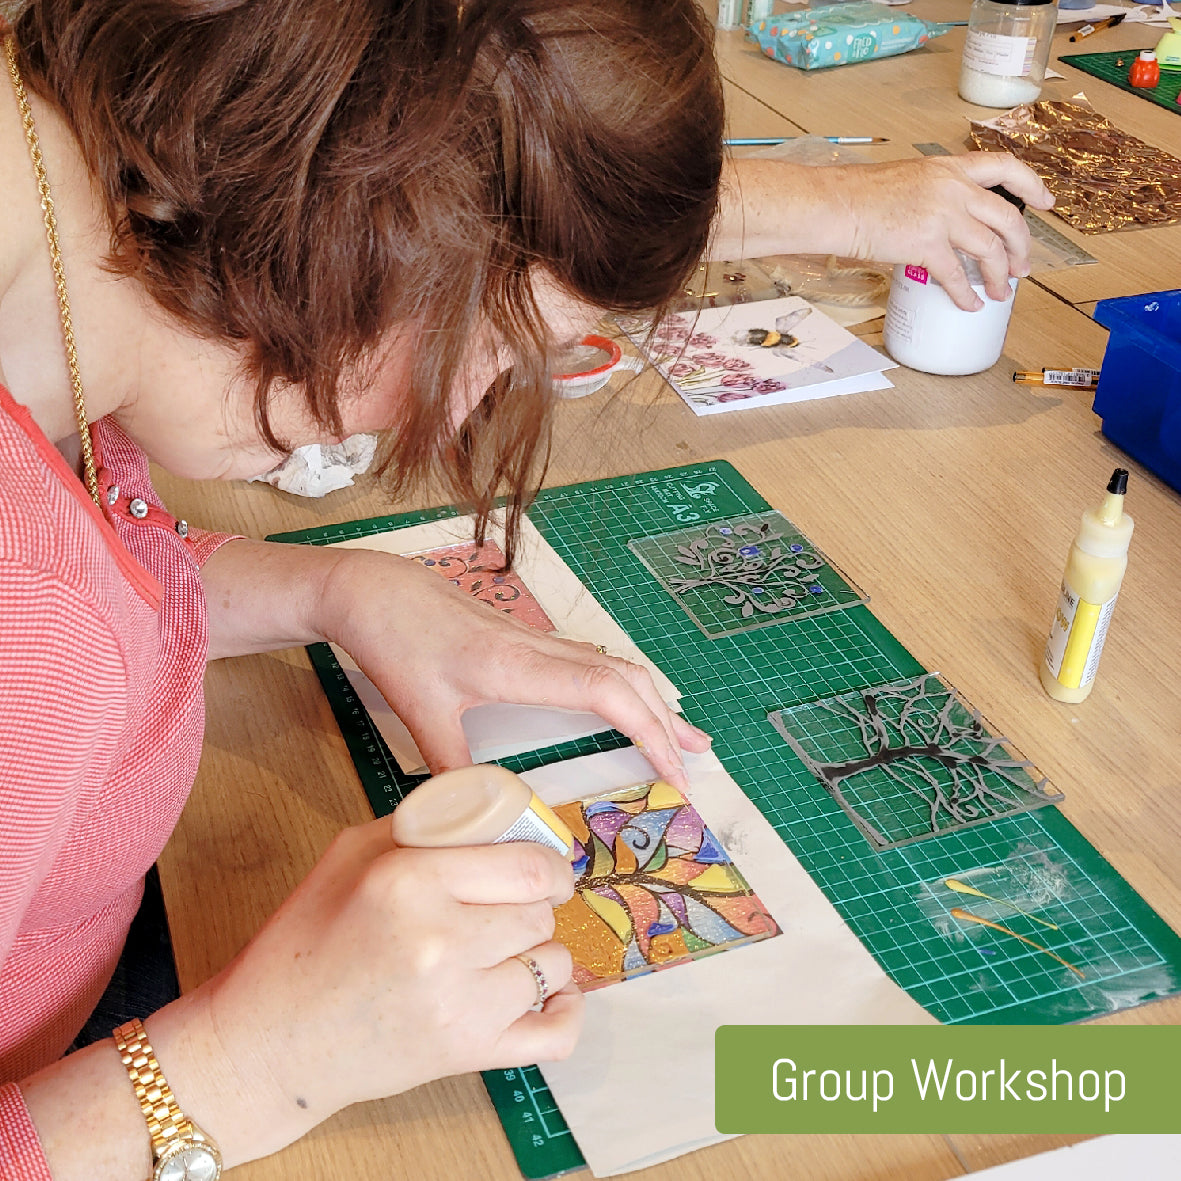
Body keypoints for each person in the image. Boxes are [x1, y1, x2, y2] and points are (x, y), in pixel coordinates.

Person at [0, 0, 1053, 1176]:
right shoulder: (25, 617)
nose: (457, 410)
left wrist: (337, 588)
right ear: (351, 216)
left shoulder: (56, 302)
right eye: (486, 346)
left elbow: (111, 544)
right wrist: (253, 1060)